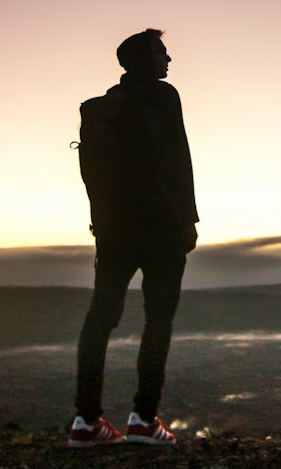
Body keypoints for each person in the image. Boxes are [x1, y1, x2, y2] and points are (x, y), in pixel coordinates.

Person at [68, 29, 198, 447]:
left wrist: (101, 224)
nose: (169, 59)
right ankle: (143, 420)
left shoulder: (99, 110)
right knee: (157, 321)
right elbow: (179, 158)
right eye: (163, 52)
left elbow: (92, 177)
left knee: (99, 319)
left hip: (113, 231)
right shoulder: (163, 96)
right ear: (144, 60)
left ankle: (86, 423)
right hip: (161, 227)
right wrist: (188, 220)